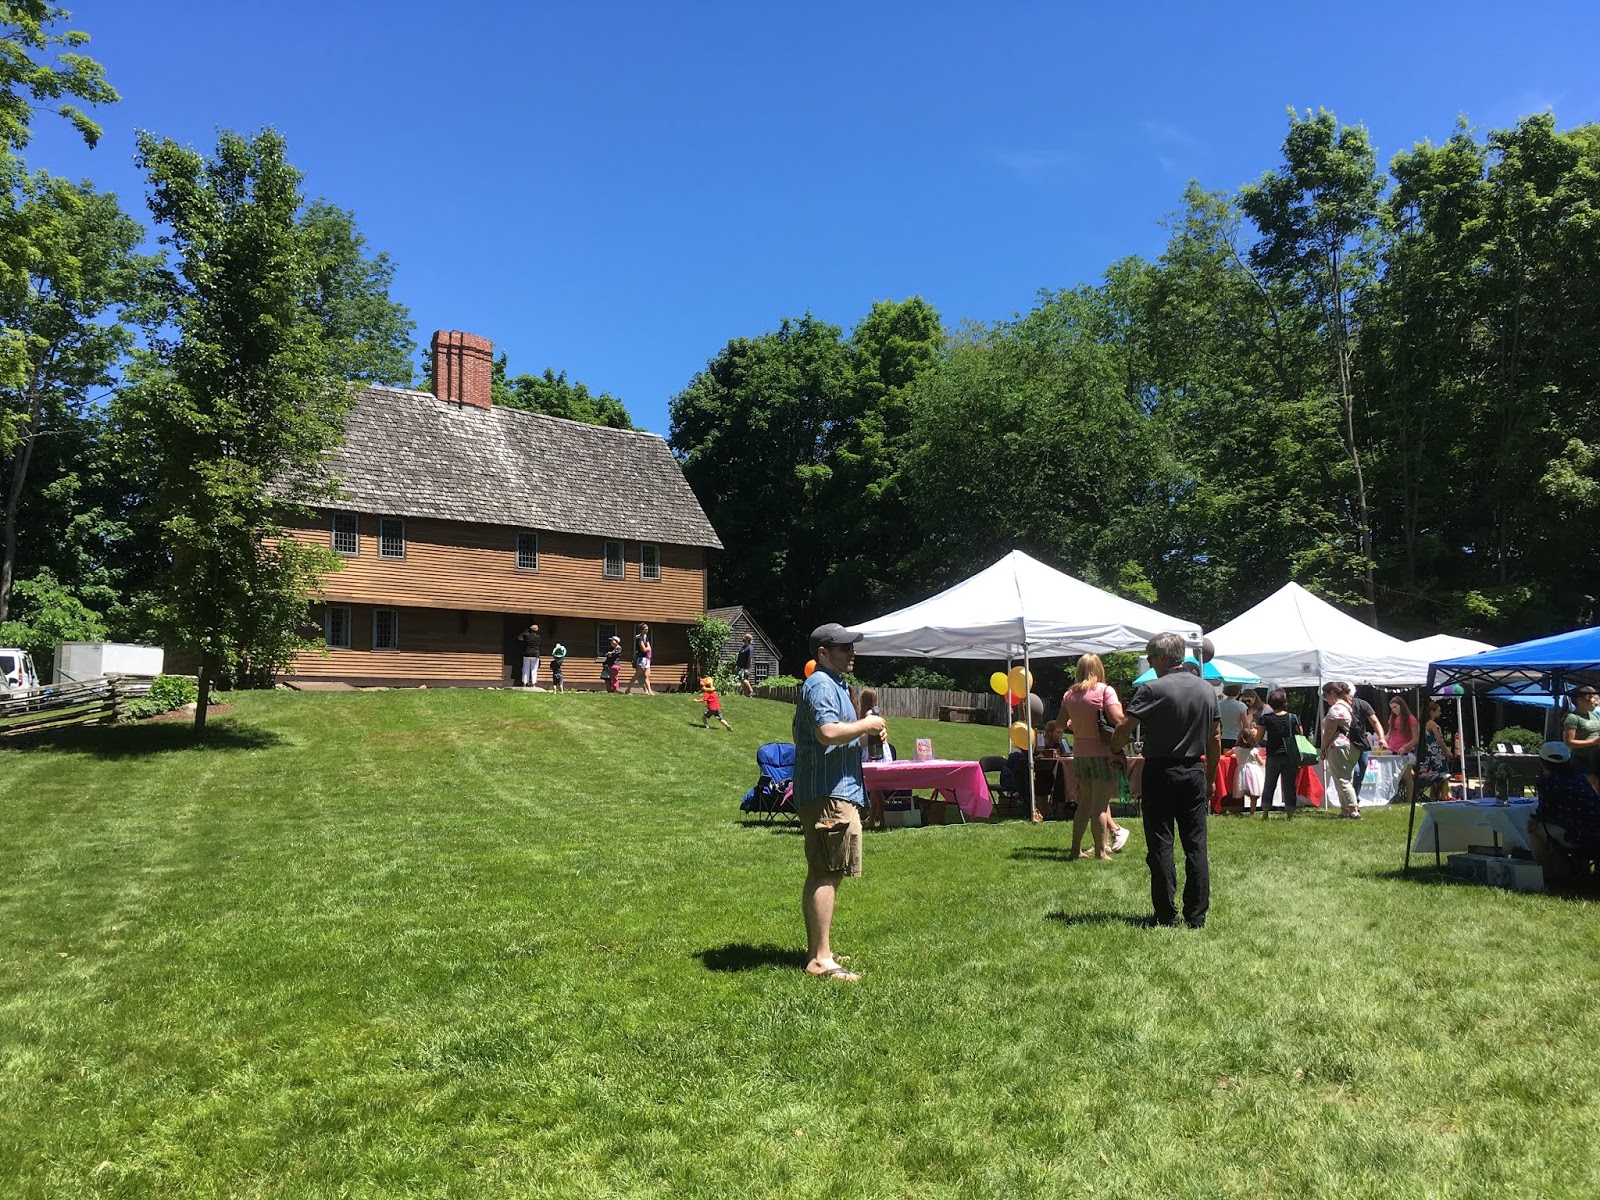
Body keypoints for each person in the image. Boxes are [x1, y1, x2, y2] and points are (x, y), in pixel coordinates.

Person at [1110, 632, 1221, 929]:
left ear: (1161, 658)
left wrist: (1116, 749)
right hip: (1194, 771)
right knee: (1196, 845)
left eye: (1150, 658)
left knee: (1161, 844)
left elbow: (1123, 728)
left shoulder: (1151, 689)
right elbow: (1215, 738)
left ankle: (1165, 914)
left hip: (1160, 772)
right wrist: (1210, 778)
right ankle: (1196, 916)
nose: (1149, 663)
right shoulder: (1207, 689)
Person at [793, 623, 884, 982]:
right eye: (845, 647)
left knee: (828, 870)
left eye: (852, 647)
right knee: (826, 872)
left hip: (835, 789)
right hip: (827, 793)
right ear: (823, 653)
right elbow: (826, 733)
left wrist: (866, 733)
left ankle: (821, 950)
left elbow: (834, 737)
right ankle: (820, 960)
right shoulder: (820, 684)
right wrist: (866, 726)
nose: (852, 652)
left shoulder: (836, 685)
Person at [1057, 653, 1129, 860]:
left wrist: (1074, 723)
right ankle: (1100, 851)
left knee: (1084, 805)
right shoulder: (1105, 691)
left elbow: (1060, 723)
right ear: (1099, 669)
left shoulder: (1069, 695)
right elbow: (1117, 718)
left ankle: (1075, 850)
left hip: (1080, 754)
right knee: (1100, 806)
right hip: (1103, 753)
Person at [1528, 740, 1600, 887]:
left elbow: (1545, 813)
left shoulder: (1547, 781)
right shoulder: (1581, 779)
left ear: (1542, 762)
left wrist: (1534, 819)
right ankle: (1576, 868)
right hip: (1595, 834)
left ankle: (1551, 871)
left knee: (1533, 827)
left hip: (1575, 836)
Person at [1253, 690, 1301, 819]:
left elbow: (1258, 738)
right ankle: (1290, 814)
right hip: (1290, 756)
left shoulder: (1265, 718)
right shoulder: (1293, 717)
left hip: (1273, 755)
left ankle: (1265, 813)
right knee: (1289, 785)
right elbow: (1300, 735)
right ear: (1285, 702)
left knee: (1269, 784)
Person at [1321, 682, 1363, 819]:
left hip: (1338, 747)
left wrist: (1323, 748)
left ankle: (1353, 810)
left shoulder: (1336, 709)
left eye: (1325, 695)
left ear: (1332, 693)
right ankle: (1345, 810)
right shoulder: (1347, 707)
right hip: (1352, 746)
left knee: (1342, 780)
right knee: (1345, 778)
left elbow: (1329, 732)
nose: (1325, 698)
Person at [1398, 700, 1451, 805]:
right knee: (1445, 775)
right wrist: (1447, 751)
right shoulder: (1432, 724)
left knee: (1435, 777)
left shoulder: (1421, 724)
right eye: (1438, 711)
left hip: (1427, 754)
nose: (1440, 713)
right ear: (1432, 712)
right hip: (1436, 754)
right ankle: (1443, 798)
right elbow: (1439, 739)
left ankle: (1434, 797)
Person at [1346, 685, 1385, 799]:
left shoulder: (1362, 704)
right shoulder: (1337, 707)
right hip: (1347, 743)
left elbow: (1375, 722)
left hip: (1362, 743)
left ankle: (1355, 796)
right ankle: (1352, 799)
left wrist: (1381, 738)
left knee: (1362, 769)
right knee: (1356, 771)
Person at [1562, 685, 1600, 778]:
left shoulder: (1593, 715)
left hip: (1596, 757)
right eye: (1590, 697)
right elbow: (1569, 742)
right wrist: (1593, 742)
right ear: (1580, 700)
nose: (1594, 700)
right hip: (1582, 760)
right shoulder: (1573, 718)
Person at [1235, 725, 1266, 814]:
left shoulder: (1236, 749)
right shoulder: (1254, 750)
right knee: (1254, 793)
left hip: (1241, 771)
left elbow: (1227, 754)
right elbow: (1261, 763)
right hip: (1253, 772)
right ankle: (1252, 811)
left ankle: (1238, 809)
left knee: (1243, 789)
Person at [625, 623, 653, 695]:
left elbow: (649, 648)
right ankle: (628, 690)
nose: (647, 631)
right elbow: (644, 649)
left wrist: (647, 649)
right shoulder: (639, 638)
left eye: (647, 629)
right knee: (637, 675)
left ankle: (650, 691)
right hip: (641, 659)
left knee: (646, 676)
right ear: (641, 630)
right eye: (645, 629)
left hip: (646, 659)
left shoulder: (646, 637)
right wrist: (647, 649)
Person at [1218, 685, 1248, 751]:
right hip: (1237, 737)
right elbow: (1246, 725)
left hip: (1224, 736)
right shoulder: (1241, 705)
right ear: (1238, 692)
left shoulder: (1219, 704)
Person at [518, 623, 541, 688]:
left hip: (527, 653)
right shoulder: (539, 637)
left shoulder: (527, 636)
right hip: (535, 653)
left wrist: (526, 631)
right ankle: (533, 684)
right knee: (534, 669)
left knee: (526, 669)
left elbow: (519, 637)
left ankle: (525, 683)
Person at [735, 632, 756, 697]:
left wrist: (747, 668)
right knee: (741, 679)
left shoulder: (750, 648)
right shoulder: (743, 647)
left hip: (746, 667)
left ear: (747, 639)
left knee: (743, 679)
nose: (743, 638)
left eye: (744, 637)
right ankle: (746, 694)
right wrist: (737, 665)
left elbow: (750, 659)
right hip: (741, 667)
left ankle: (751, 691)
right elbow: (739, 657)